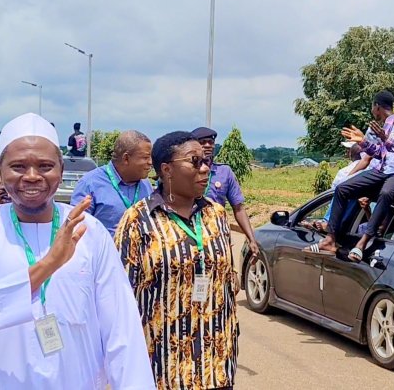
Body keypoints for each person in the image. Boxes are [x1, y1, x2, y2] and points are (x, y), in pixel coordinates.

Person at [0, 113, 154, 389]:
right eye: (18, 166)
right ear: (0, 169)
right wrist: (48, 265)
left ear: (61, 170)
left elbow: (122, 332)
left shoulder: (90, 232)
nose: (32, 176)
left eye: (44, 166)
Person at [114, 131, 239, 390]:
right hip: (163, 369)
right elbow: (119, 300)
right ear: (167, 169)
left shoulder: (215, 214)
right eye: (195, 161)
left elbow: (226, 285)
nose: (205, 168)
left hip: (215, 365)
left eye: (206, 161)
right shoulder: (138, 221)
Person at [316, 81, 394, 262]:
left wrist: (387, 140)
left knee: (386, 193)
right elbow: (380, 152)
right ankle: (330, 239)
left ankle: (362, 243)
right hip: (383, 168)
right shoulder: (392, 120)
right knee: (342, 188)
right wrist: (363, 142)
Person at [192, 126, 261, 262]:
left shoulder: (224, 172)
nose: (207, 146)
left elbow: (239, 208)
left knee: (226, 276)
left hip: (218, 236)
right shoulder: (184, 171)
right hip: (191, 234)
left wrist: (251, 238)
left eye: (210, 142)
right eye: (202, 142)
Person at [71, 130, 153, 236]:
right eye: (145, 157)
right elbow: (76, 228)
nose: (150, 162)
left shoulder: (146, 185)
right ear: (126, 158)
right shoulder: (90, 184)